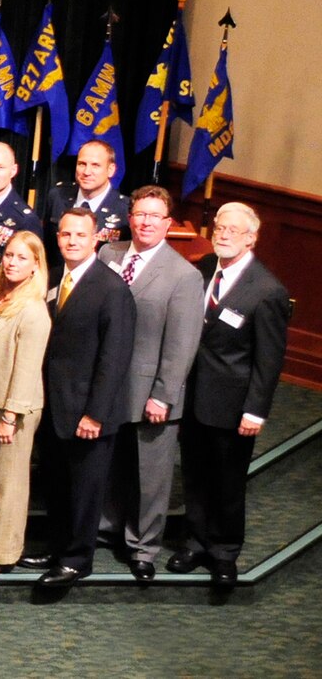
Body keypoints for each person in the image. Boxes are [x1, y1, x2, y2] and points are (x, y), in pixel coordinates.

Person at [173, 202, 291, 589]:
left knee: (227, 481)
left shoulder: (267, 290)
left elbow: (268, 359)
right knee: (195, 473)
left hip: (233, 404)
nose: (222, 235)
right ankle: (194, 542)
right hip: (193, 396)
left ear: (251, 239)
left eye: (233, 231)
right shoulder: (205, 268)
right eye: (219, 228)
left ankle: (224, 552)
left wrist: (255, 410)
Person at [95, 187, 204, 581]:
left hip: (151, 393)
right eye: (140, 214)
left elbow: (182, 345)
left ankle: (143, 547)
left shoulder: (184, 275)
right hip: (108, 386)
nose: (145, 222)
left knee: (150, 476)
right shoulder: (108, 254)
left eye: (155, 216)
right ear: (130, 217)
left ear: (168, 223)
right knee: (109, 464)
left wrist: (163, 395)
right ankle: (106, 528)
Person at [32, 207, 136, 587]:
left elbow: (114, 358)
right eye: (65, 234)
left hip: (88, 413)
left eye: (80, 235)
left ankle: (77, 560)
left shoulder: (111, 289)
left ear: (96, 239)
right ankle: (58, 549)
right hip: (55, 405)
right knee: (57, 485)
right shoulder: (54, 277)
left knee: (84, 492)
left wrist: (95, 414)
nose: (72, 241)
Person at [0, 230, 51, 575]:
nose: (12, 262)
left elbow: (28, 369)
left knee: (10, 485)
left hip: (14, 407)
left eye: (21, 257)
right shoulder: (2, 296)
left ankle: (3, 554)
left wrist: (10, 415)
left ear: (36, 265)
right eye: (8, 255)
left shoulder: (34, 310)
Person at [39, 140, 130, 247]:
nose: (87, 172)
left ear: (111, 170)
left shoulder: (124, 208)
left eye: (95, 165)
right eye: (82, 164)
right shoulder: (57, 196)